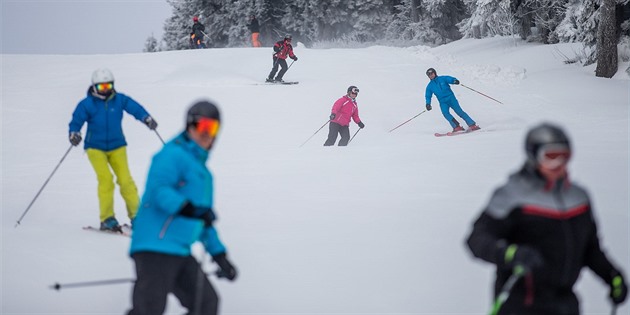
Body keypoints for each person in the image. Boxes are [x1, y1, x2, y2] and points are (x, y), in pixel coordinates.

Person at [466, 122, 627, 314]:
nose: (558, 164)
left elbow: (589, 248)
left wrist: (611, 275)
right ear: (534, 155)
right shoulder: (512, 196)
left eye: (564, 156)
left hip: (565, 304)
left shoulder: (578, 198)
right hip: (521, 303)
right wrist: (511, 254)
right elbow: (477, 239)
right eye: (550, 156)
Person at [127, 100, 237, 315]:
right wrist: (188, 209)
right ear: (189, 125)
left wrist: (220, 256)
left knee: (206, 304)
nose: (206, 133)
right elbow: (160, 190)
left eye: (212, 128)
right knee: (149, 310)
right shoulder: (172, 154)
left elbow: (203, 219)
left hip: (180, 250)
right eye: (201, 126)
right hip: (155, 246)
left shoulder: (202, 173)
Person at [68, 68, 158, 232]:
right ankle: (107, 218)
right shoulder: (87, 104)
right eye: (102, 87)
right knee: (106, 180)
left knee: (126, 181)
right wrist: (74, 133)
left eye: (109, 86)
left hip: (118, 146)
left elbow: (135, 108)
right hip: (95, 148)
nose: (106, 90)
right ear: (94, 87)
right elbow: (76, 120)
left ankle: (137, 217)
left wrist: (147, 118)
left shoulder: (119, 99)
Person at [424, 67, 480, 132]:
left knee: (459, 112)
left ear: (435, 73)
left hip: (451, 98)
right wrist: (428, 104)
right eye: (429, 75)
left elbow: (449, 79)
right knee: (445, 113)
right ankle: (456, 127)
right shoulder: (430, 86)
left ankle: (472, 124)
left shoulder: (442, 78)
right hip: (443, 102)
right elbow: (428, 96)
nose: (431, 75)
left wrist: (454, 81)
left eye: (432, 73)